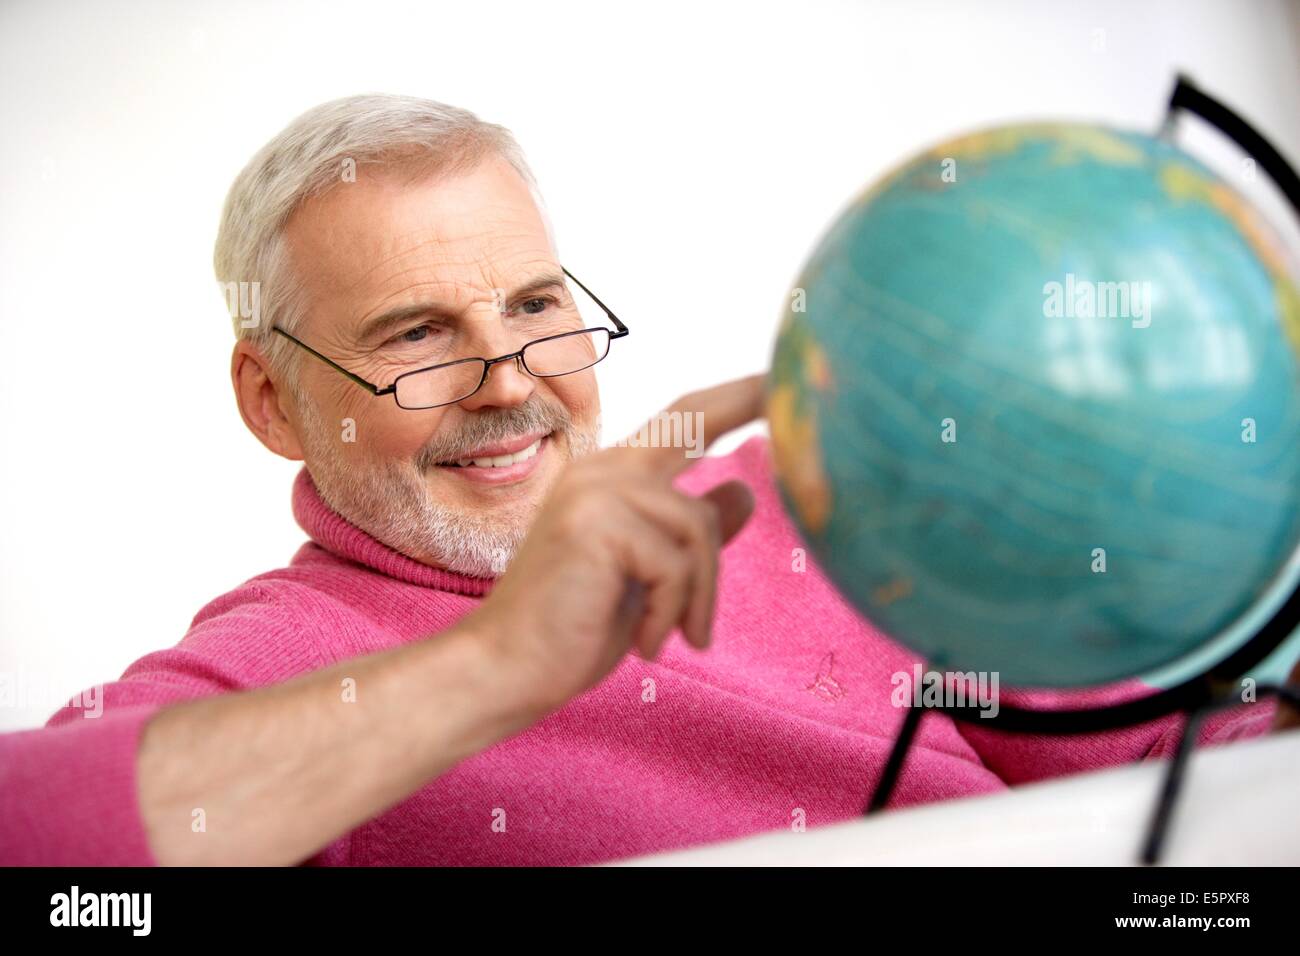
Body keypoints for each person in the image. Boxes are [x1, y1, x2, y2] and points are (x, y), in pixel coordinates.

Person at [0, 95, 1287, 866]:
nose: (508, 379)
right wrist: (501, 664)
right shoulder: (278, 661)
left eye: (534, 304)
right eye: (414, 334)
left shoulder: (809, 499)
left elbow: (1183, 758)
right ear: (272, 399)